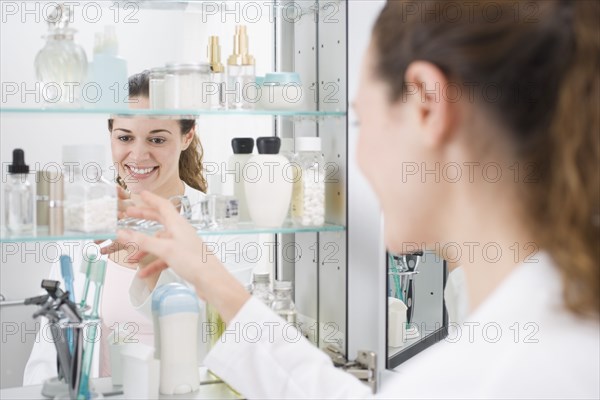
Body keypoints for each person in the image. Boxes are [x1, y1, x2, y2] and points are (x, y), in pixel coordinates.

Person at [118, 1, 599, 398]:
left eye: (359, 122)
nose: (358, 160)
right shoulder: (552, 323)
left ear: (427, 105)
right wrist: (210, 278)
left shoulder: (495, 373)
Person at [23, 71, 230, 384]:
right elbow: (47, 358)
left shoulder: (221, 225)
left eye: (157, 139)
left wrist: (153, 263)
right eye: (125, 137)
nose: (138, 154)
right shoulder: (85, 228)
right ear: (110, 134)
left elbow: (229, 349)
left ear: (187, 136)